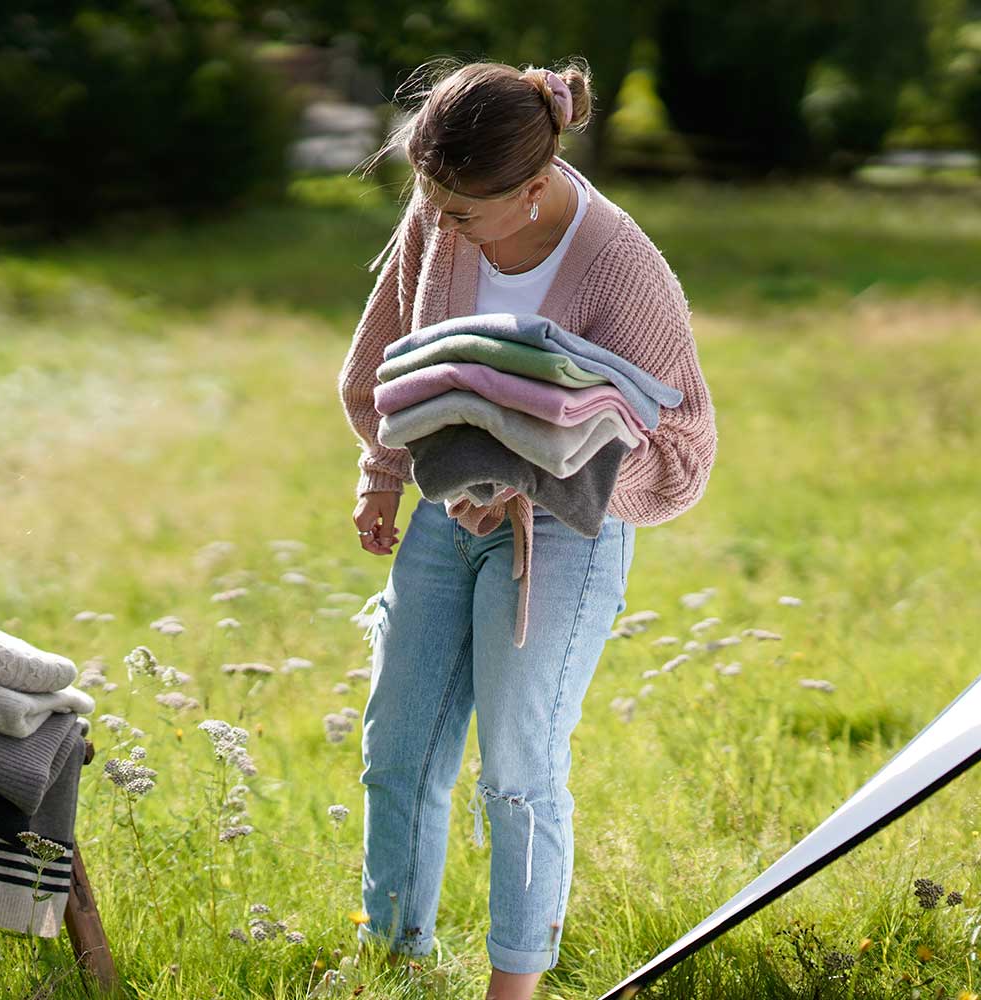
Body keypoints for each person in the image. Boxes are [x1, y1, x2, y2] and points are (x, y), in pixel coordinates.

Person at [337, 58, 716, 998]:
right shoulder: (443, 208)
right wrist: (383, 473)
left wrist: (543, 481)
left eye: (460, 213)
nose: (440, 223)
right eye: (432, 203)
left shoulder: (623, 269)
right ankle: (392, 961)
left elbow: (680, 445)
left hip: (564, 543)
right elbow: (394, 357)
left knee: (516, 762)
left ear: (534, 188)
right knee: (398, 747)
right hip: (441, 522)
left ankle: (516, 988)